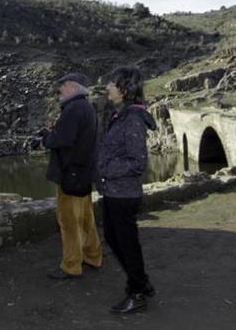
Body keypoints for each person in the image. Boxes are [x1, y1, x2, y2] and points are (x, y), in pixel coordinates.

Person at [97, 66, 157, 314]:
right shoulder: (119, 114)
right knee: (113, 237)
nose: (107, 87)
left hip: (123, 194)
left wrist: (106, 168)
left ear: (124, 88)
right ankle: (141, 281)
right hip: (114, 191)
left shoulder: (131, 119)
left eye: (112, 83)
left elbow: (137, 162)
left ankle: (138, 293)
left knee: (127, 243)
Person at [41, 72, 103, 279]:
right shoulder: (87, 107)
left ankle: (71, 265)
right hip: (83, 172)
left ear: (75, 88)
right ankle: (93, 255)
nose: (61, 89)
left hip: (71, 173)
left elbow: (63, 140)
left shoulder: (74, 109)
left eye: (64, 85)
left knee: (68, 220)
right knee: (86, 217)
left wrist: (47, 136)